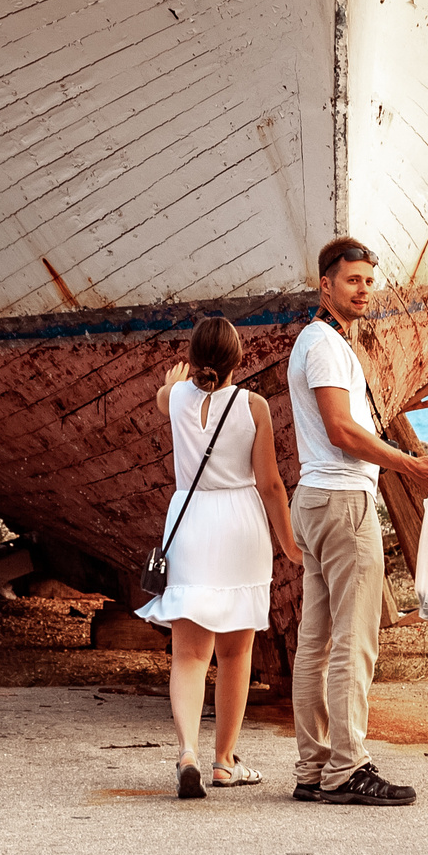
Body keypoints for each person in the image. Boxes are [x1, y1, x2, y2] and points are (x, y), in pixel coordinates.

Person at [287, 235, 428, 807]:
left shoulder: (312, 341)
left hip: (313, 499)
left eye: (368, 281)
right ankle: (346, 767)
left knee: (315, 640)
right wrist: (412, 466)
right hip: (341, 502)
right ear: (325, 285)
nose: (363, 290)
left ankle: (313, 767)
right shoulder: (328, 346)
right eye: (352, 280)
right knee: (353, 642)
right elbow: (341, 430)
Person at [139, 316, 298, 799]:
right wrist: (290, 543)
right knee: (235, 652)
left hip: (189, 525)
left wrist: (172, 383)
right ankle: (225, 761)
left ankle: (186, 752)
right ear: (239, 360)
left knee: (188, 654)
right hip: (239, 528)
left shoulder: (177, 400)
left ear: (192, 358)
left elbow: (165, 394)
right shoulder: (253, 407)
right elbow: (270, 484)